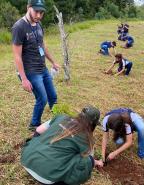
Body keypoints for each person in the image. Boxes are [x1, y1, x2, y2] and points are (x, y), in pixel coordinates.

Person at [21, 105, 103, 185]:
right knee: (86, 161)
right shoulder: (88, 139)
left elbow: (38, 130)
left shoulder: (61, 117)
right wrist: (97, 162)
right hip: (47, 176)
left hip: (26, 159)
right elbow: (88, 160)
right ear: (94, 124)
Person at [12, 0, 60, 131]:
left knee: (53, 96)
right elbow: (16, 55)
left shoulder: (39, 25)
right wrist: (24, 79)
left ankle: (57, 119)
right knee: (42, 98)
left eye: (41, 12)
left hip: (42, 68)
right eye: (36, 11)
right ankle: (34, 124)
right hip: (30, 72)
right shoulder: (19, 27)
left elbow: (42, 46)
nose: (39, 15)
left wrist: (53, 62)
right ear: (28, 8)